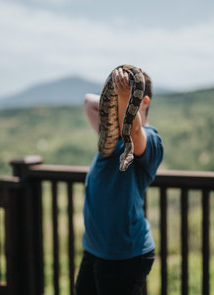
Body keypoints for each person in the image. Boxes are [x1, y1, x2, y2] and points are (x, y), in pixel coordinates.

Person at [75, 67, 164, 295]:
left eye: (128, 97)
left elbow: (134, 133)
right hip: (95, 249)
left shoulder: (151, 140)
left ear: (144, 101)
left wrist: (124, 97)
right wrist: (117, 94)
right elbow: (88, 102)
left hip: (124, 255)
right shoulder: (112, 134)